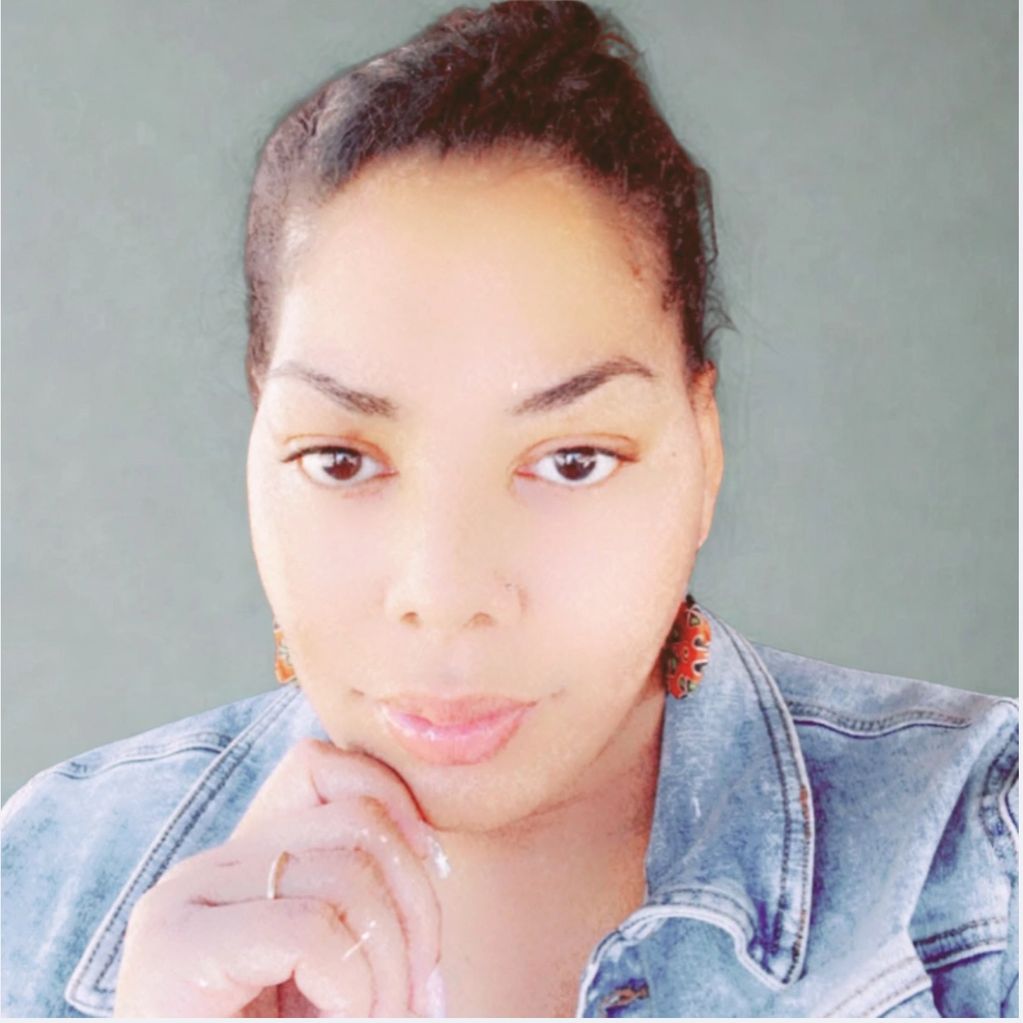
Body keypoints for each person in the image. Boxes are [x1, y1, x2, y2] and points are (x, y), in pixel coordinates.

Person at [1, 1, 1017, 1017]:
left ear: (703, 453)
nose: (446, 593)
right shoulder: (48, 879)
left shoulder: (980, 856)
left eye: (572, 461)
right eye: (342, 459)